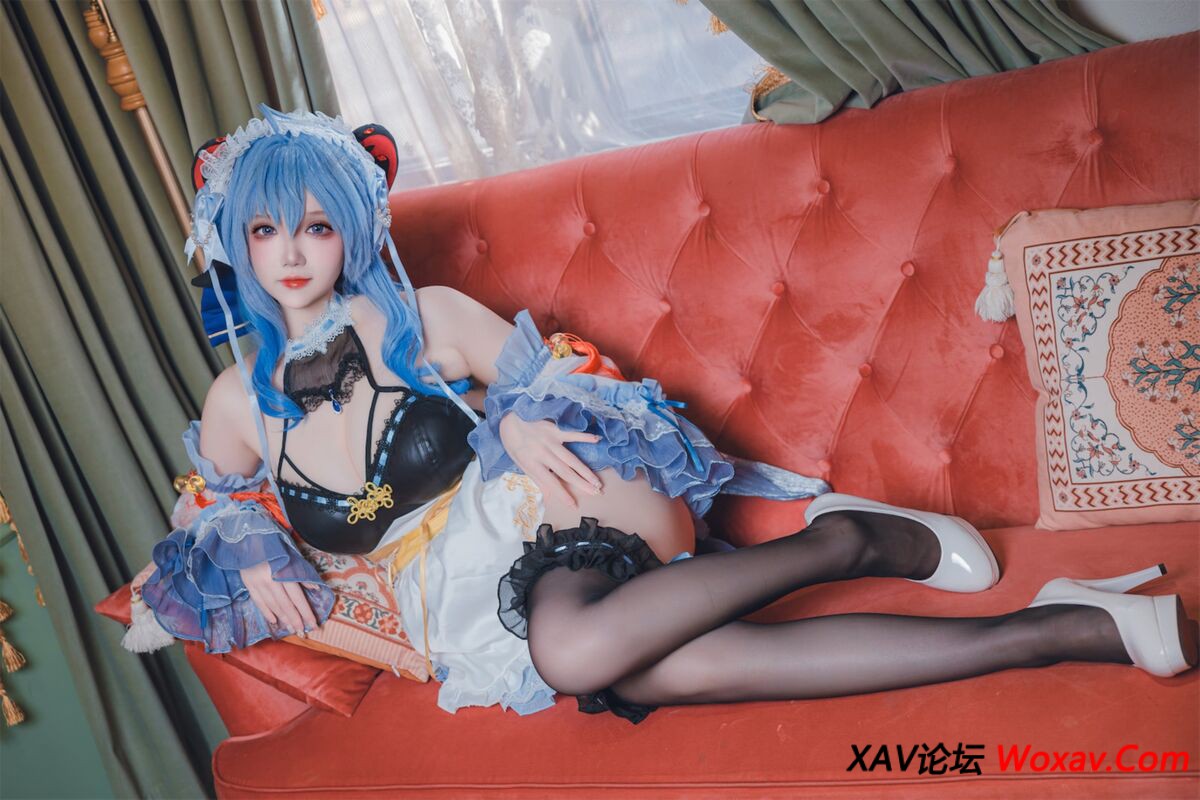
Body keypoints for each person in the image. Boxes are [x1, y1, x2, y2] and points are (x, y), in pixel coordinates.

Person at [134, 106, 1197, 726]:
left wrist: (510, 419)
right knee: (646, 667)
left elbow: (568, 377)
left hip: (565, 496)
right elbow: (205, 505)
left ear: (353, 229)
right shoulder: (235, 404)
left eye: (316, 225)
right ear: (232, 239)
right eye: (265, 229)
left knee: (572, 647)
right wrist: (246, 539)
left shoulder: (427, 316)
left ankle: (849, 542)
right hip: (459, 605)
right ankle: (1056, 628)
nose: (290, 251)